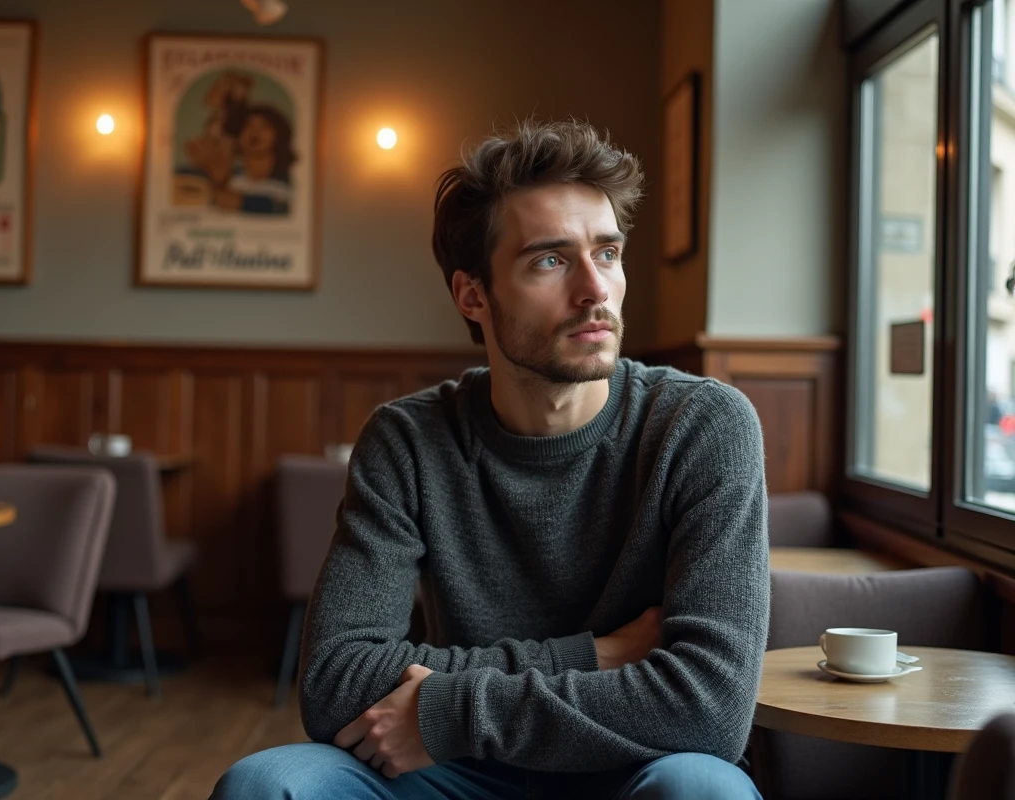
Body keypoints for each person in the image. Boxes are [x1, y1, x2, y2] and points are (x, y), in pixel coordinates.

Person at [212, 118, 769, 799]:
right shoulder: (409, 440)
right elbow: (335, 683)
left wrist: (448, 711)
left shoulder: (702, 424)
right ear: (472, 296)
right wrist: (595, 654)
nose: (595, 289)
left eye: (609, 253)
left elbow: (709, 711)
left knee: (703, 788)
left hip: (630, 767)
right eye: (550, 260)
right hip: (449, 775)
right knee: (266, 785)